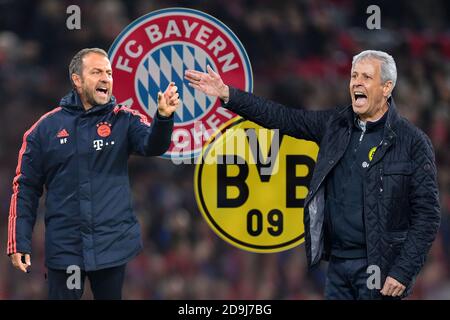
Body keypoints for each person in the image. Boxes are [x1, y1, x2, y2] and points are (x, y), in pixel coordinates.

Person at [185, 50, 441, 300]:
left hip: (380, 268)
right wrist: (228, 94)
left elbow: (427, 215)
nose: (356, 83)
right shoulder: (335, 125)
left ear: (386, 88)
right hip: (338, 265)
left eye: (366, 77)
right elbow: (283, 118)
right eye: (354, 76)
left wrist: (403, 271)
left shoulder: (412, 142)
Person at [7, 48, 180, 299]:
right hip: (65, 249)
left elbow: (153, 145)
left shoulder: (125, 120)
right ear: (77, 80)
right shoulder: (43, 130)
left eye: (109, 73)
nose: (106, 78)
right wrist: (19, 240)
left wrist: (163, 118)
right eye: (97, 72)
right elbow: (25, 187)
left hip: (112, 247)